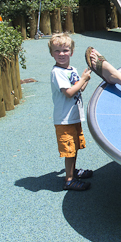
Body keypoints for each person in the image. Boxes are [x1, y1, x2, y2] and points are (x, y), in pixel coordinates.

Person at [49, 33, 93, 191]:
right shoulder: (57, 72)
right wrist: (82, 80)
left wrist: (85, 78)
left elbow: (79, 89)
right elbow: (68, 92)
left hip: (74, 117)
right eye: (57, 51)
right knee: (69, 150)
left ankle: (72, 171)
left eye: (65, 50)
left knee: (74, 148)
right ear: (52, 53)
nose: (61, 54)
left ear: (71, 52)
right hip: (64, 119)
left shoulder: (72, 70)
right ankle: (69, 180)